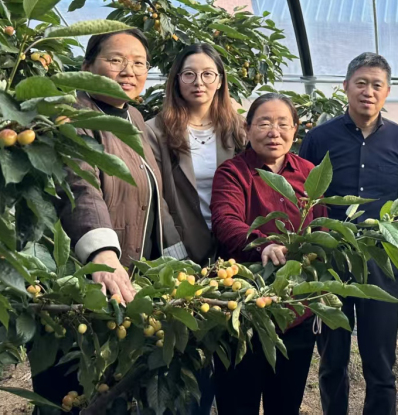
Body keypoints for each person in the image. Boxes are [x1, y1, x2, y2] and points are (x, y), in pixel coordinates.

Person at [39, 30, 187, 410]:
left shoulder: (133, 117)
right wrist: (101, 252)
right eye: (116, 60)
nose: (129, 71)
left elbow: (154, 197)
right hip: (80, 281)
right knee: (70, 390)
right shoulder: (71, 112)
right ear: (87, 66)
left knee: (111, 390)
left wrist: (178, 265)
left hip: (125, 281)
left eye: (139, 63)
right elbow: (80, 184)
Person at [299, 52, 398, 415]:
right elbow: (305, 199)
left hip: (381, 263)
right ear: (346, 86)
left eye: (376, 85)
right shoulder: (319, 138)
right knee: (332, 358)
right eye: (361, 83)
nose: (368, 91)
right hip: (330, 262)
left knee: (380, 360)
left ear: (387, 91)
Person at [210, 92, 327, 415]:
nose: (274, 132)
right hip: (241, 307)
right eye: (264, 123)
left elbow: (321, 227)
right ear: (247, 129)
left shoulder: (309, 173)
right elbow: (225, 221)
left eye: (282, 124)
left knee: (285, 405)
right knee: (237, 404)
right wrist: (264, 244)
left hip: (294, 310)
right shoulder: (233, 172)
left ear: (295, 129)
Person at [147, 42, 245, 415]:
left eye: (207, 74)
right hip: (181, 249)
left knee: (227, 336)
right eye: (189, 74)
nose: (198, 82)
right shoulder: (156, 131)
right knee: (186, 340)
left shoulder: (237, 129)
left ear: (220, 81)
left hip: (230, 249)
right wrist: (174, 249)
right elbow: (156, 195)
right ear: (176, 80)